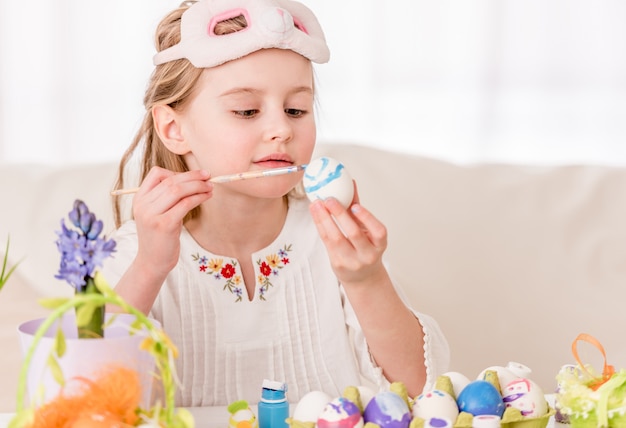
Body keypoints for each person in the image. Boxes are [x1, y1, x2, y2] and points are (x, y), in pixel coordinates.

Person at [104, 0, 449, 408]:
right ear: (174, 128)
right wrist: (150, 267)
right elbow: (90, 398)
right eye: (247, 110)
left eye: (296, 109)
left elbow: (422, 392)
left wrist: (366, 280)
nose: (282, 129)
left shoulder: (331, 246)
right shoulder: (134, 255)